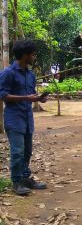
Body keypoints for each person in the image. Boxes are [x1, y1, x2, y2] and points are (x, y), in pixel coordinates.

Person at [0, 39, 48, 195]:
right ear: (25, 55)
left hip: (27, 118)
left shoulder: (31, 74)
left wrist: (39, 98)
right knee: (17, 151)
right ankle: (16, 182)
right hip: (14, 118)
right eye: (32, 54)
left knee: (27, 151)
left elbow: (30, 94)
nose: (34, 57)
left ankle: (25, 178)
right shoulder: (8, 73)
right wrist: (26, 98)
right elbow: (3, 95)